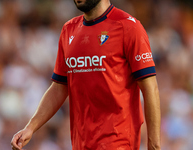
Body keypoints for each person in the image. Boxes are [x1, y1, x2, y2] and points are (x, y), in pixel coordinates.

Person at [11, 0, 161, 150]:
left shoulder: (128, 26)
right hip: (80, 144)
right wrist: (30, 127)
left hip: (118, 142)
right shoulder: (69, 29)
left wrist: (154, 145)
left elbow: (150, 88)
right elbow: (59, 87)